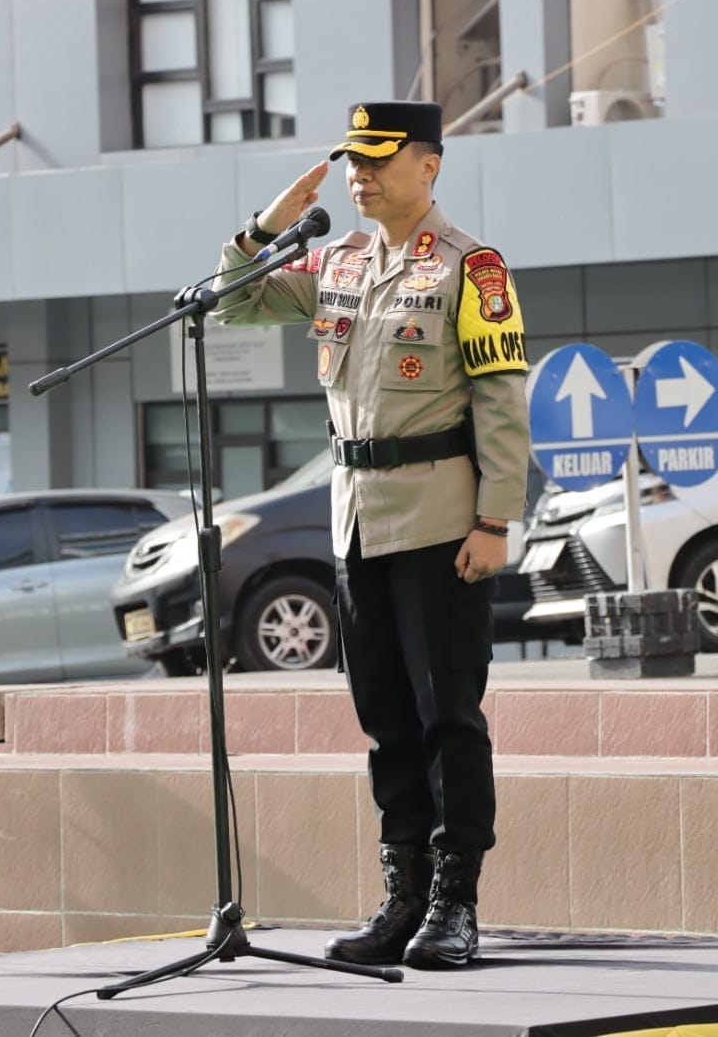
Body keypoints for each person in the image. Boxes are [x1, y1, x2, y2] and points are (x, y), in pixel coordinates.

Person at [210, 100, 530, 969]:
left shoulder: (473, 268)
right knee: (386, 719)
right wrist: (267, 224)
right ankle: (403, 898)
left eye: (379, 159)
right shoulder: (339, 261)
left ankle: (455, 903)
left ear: (429, 166)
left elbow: (502, 400)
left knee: (446, 718)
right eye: (353, 160)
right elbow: (230, 307)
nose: (360, 174)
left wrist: (496, 518)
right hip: (356, 520)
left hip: (440, 518)